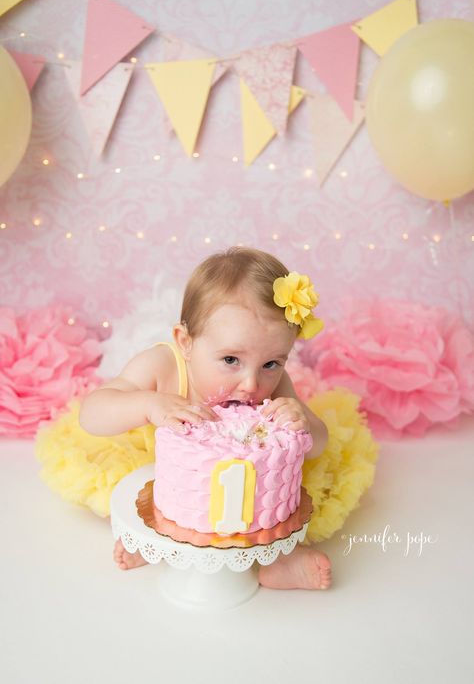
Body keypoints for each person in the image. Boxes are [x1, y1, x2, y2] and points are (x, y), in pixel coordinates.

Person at [79, 246, 332, 590]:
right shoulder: (162, 367)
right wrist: (150, 404)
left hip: (246, 497)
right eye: (230, 359)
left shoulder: (272, 385)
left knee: (278, 500)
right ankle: (151, 542)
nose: (252, 384)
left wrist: (301, 419)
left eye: (271, 364)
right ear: (185, 342)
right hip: (163, 473)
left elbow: (318, 446)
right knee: (145, 493)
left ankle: (281, 562)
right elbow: (92, 413)